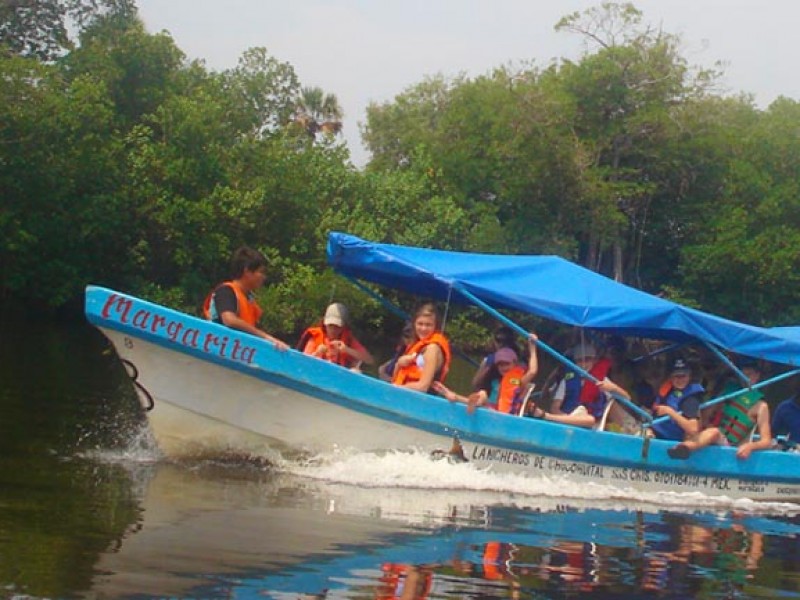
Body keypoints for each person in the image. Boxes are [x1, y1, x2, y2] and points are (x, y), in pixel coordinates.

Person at [667, 359, 772, 460]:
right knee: (697, 429)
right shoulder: (729, 391)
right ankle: (679, 450)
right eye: (742, 373)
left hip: (729, 445)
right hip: (708, 434)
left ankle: (685, 448)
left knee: (714, 432)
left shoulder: (761, 406)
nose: (745, 377)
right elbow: (706, 415)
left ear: (757, 375)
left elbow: (766, 441)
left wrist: (750, 447)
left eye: (750, 374)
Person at [202, 246, 288, 350]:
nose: (264, 277)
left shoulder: (249, 299)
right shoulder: (226, 291)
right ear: (247, 271)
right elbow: (229, 320)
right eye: (261, 272)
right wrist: (266, 337)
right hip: (219, 347)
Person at [433, 334, 539, 415]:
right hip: (489, 412)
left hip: (504, 418)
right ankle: (454, 397)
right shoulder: (493, 381)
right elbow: (478, 389)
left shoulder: (517, 381)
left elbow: (533, 371)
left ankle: (455, 397)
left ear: (514, 364)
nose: (503, 367)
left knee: (482, 398)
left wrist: (532, 348)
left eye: (507, 364)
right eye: (500, 364)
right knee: (482, 395)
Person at [533, 342, 631, 429]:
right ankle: (546, 416)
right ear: (575, 362)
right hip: (569, 416)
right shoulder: (567, 380)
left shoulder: (602, 380)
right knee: (589, 419)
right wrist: (568, 419)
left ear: (594, 360)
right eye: (580, 360)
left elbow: (627, 398)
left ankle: (632, 429)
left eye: (587, 359)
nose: (584, 364)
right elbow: (555, 407)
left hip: (589, 421)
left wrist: (614, 388)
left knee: (591, 419)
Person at [391, 303, 452, 393]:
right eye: (420, 324)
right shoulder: (417, 344)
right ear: (414, 324)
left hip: (417, 397)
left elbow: (423, 386)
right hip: (404, 391)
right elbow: (394, 378)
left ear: (435, 326)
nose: (423, 328)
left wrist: (397, 388)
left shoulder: (432, 349)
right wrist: (399, 363)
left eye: (428, 325)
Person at [299, 302, 374, 369]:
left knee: (356, 371)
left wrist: (346, 349)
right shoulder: (314, 337)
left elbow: (369, 360)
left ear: (343, 327)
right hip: (315, 372)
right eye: (330, 325)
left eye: (337, 326)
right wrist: (317, 353)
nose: (333, 330)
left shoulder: (348, 340)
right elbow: (302, 362)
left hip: (337, 377)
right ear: (325, 324)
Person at [649, 357, 703, 442]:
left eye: (683, 376)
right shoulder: (668, 389)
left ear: (689, 376)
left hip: (668, 440)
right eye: (677, 376)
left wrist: (670, 412)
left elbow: (693, 429)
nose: (680, 380)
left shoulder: (690, 399)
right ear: (671, 377)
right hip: (653, 431)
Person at [471, 326, 521, 391]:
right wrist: (488, 366)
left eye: (506, 341)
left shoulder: (518, 359)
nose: (502, 344)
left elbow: (523, 381)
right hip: (490, 393)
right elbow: (476, 384)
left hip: (510, 391)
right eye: (499, 341)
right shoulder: (490, 359)